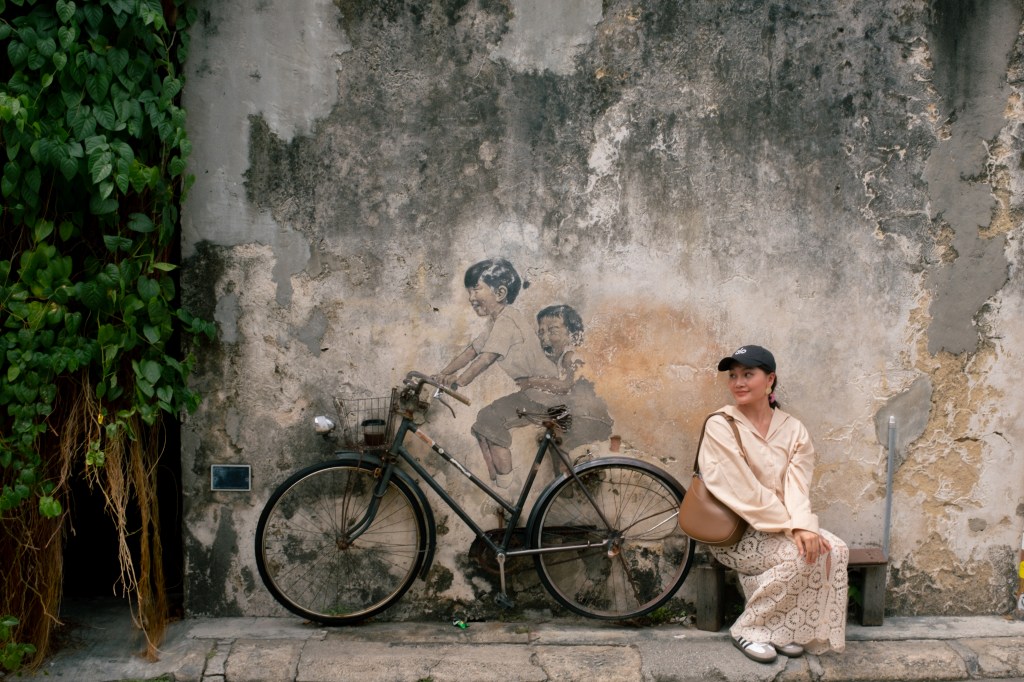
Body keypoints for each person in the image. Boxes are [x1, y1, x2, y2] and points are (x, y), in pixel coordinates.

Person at [697, 344, 848, 663]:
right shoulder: (721, 424)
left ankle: (781, 629)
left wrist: (803, 526)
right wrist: (795, 528)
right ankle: (749, 630)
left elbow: (797, 487)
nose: (738, 382)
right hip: (736, 534)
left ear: (770, 380)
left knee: (835, 550)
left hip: (781, 528)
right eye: (733, 376)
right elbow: (743, 491)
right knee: (802, 555)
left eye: (747, 374)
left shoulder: (793, 429)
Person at [434, 258, 558, 488]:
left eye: (476, 289)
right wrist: (441, 374)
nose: (471, 297)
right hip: (533, 392)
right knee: (483, 422)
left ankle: (506, 488)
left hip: (544, 393)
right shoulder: (496, 321)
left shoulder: (508, 320)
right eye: (469, 291)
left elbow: (486, 358)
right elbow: (471, 351)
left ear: (500, 293)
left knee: (491, 421)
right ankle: (498, 483)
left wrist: (458, 381)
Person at [516, 304, 613, 472]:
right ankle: (569, 480)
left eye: (552, 331)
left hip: (587, 417)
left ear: (572, 335)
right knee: (554, 442)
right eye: (541, 332)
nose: (544, 337)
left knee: (558, 445)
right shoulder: (560, 359)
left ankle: (571, 478)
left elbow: (565, 386)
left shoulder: (570, 356)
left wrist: (531, 382)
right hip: (575, 413)